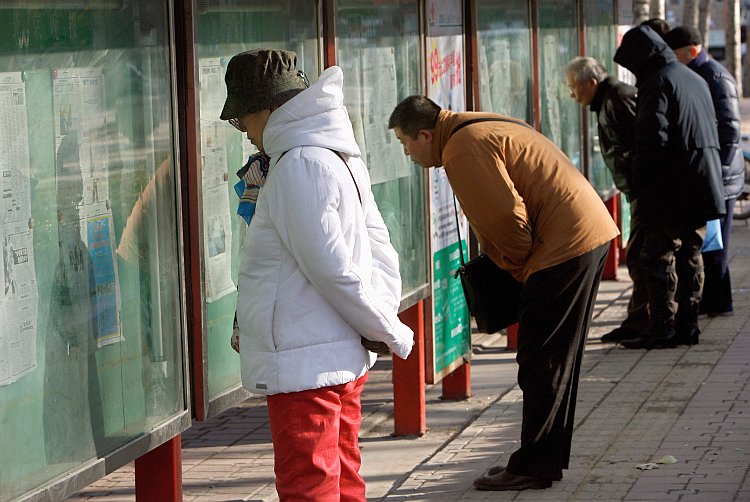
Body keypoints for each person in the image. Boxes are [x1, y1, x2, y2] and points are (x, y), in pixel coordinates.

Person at [388, 95, 618, 490]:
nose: (407, 153)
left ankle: (533, 465)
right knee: (554, 357)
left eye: (406, 143)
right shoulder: (473, 126)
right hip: (582, 234)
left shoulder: (462, 148)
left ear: (426, 135)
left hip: (562, 247)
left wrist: (521, 269)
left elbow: (509, 223)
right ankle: (541, 459)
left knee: (540, 359)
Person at [220, 49, 414, 501]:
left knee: (308, 484)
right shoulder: (336, 153)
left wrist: (387, 330)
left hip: (305, 363)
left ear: (267, 109)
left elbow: (332, 268)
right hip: (332, 353)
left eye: (243, 119)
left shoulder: (299, 165)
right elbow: (379, 248)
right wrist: (379, 321)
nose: (246, 134)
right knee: (342, 477)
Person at [613, 25, 726, 349]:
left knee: (657, 256)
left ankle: (662, 328)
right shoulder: (693, 78)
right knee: (691, 253)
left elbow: (652, 141)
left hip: (672, 187)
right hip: (703, 182)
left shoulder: (657, 82)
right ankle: (688, 326)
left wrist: (640, 183)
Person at [664, 25, 744, 318]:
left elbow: (729, 133)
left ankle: (720, 303)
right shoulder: (701, 74)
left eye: (676, 56)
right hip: (712, 175)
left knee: (715, 244)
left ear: (691, 52)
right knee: (709, 244)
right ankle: (713, 302)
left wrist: (714, 174)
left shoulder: (715, 77)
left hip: (721, 178)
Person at [566, 56, 644, 343]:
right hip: (637, 189)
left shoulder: (617, 99)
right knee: (639, 255)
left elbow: (643, 143)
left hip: (644, 191)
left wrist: (636, 181)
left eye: (574, 88)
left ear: (592, 82)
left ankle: (648, 321)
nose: (573, 96)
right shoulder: (609, 100)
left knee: (641, 255)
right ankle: (640, 319)